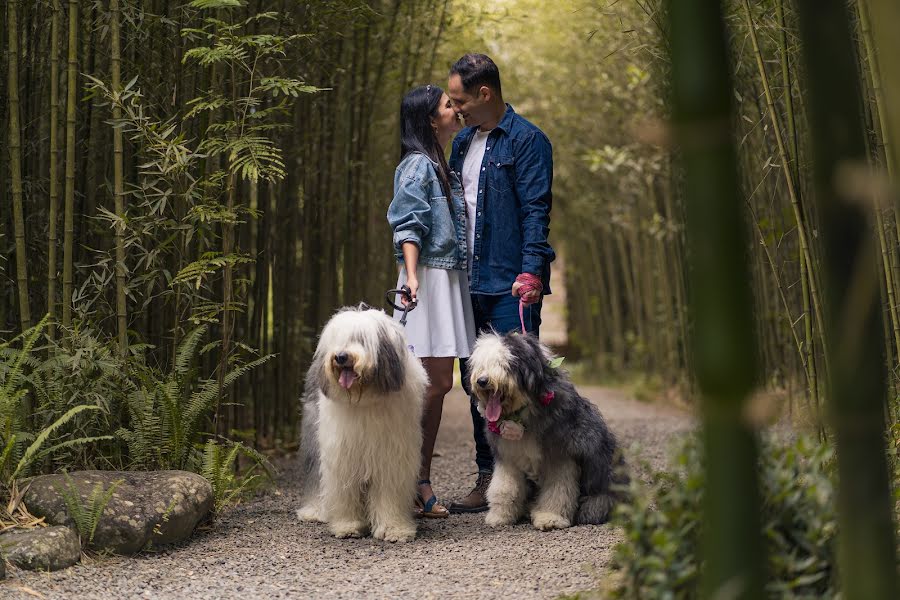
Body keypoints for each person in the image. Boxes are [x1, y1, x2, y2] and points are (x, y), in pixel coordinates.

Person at [445, 53, 556, 514]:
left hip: (511, 283)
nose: (455, 110)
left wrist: (531, 270)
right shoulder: (461, 143)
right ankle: (490, 476)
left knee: (524, 384)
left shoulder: (529, 140)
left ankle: (539, 477)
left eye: (460, 100)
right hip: (465, 282)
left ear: (484, 94)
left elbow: (536, 210)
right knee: (480, 383)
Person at [387, 84, 476, 518]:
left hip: (448, 276)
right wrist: (412, 276)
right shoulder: (416, 166)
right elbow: (407, 221)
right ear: (429, 119)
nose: (455, 110)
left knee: (438, 385)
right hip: (428, 278)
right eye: (447, 105)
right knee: (424, 386)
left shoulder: (443, 163)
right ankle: (405, 480)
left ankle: (416, 479)